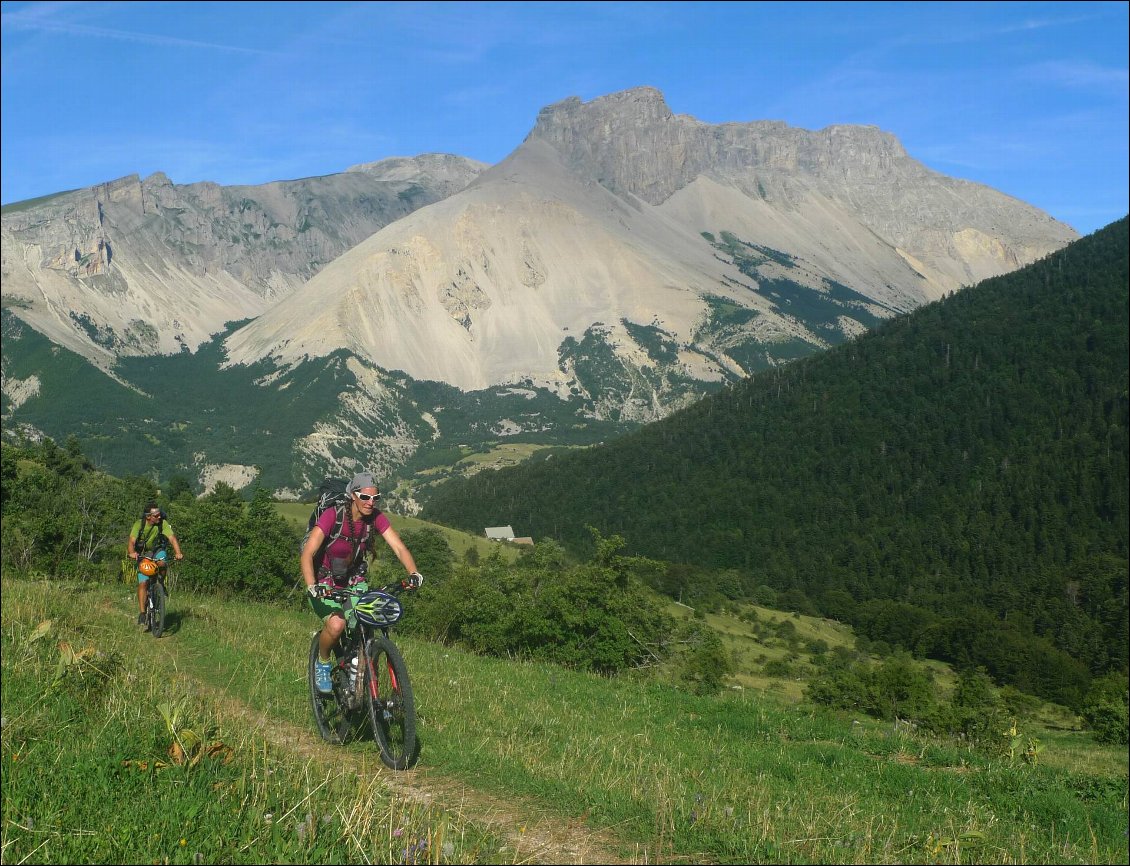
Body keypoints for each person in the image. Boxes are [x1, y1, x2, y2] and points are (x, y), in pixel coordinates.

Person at [301, 472, 423, 693]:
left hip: (353, 581)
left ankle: (356, 670)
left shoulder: (375, 518)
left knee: (366, 623)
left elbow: (399, 547)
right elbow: (308, 553)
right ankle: (323, 661)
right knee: (337, 624)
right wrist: (313, 586)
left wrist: (414, 573)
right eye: (365, 497)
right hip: (324, 582)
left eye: (376, 498)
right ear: (352, 496)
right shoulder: (333, 516)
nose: (371, 503)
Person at [127, 501, 184, 629]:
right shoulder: (139, 525)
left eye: (159, 514)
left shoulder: (162, 524)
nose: (159, 517)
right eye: (156, 515)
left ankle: (160, 583)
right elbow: (131, 541)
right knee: (143, 583)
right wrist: (131, 552)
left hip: (158, 550)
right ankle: (142, 614)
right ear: (148, 516)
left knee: (163, 563)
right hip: (143, 554)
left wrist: (178, 552)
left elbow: (172, 538)